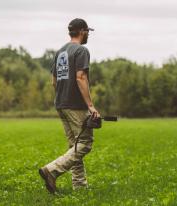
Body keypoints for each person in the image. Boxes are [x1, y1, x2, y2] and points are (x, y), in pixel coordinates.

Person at [39, 18, 100, 193]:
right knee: (85, 144)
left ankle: (80, 186)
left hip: (61, 103)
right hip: (75, 105)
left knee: (74, 146)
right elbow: (81, 77)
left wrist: (62, 97)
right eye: (88, 31)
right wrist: (90, 105)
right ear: (82, 31)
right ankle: (51, 170)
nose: (88, 34)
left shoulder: (60, 52)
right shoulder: (81, 51)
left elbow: (54, 81)